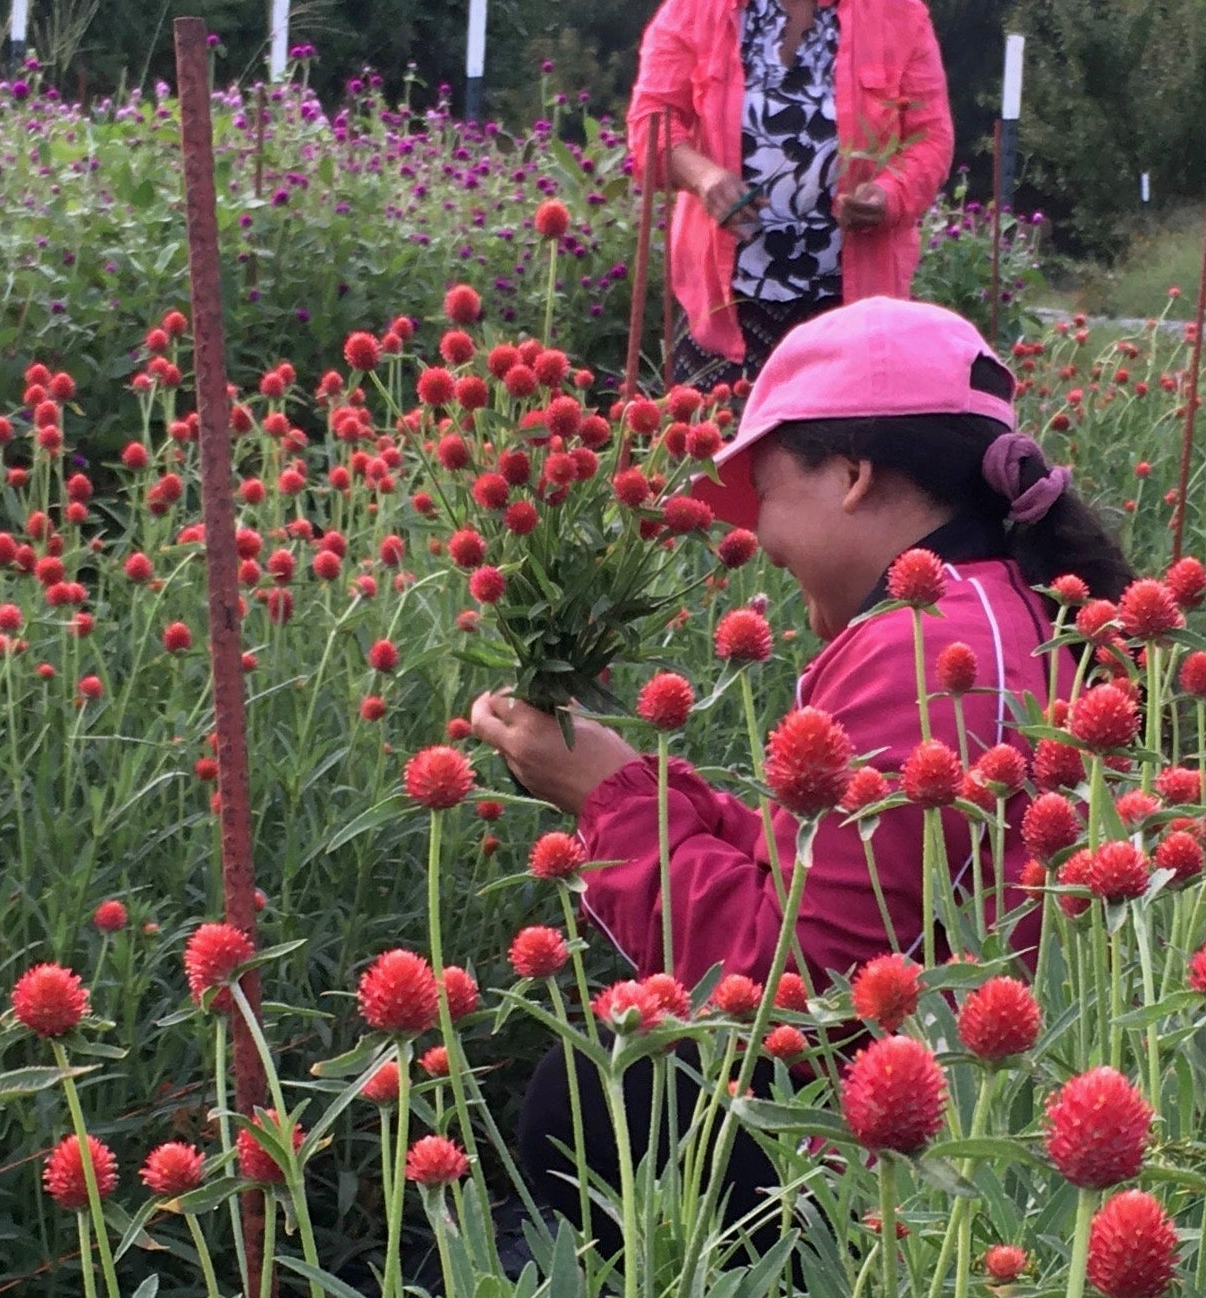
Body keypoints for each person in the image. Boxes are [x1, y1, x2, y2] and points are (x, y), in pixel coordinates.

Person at [471, 298, 1131, 1224]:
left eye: (768, 494)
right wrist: (657, 793)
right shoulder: (1012, 609)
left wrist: (610, 806)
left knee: (592, 1090)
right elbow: (861, 889)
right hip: (990, 1081)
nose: (760, 538)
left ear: (853, 475)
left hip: (900, 1151)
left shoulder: (918, 650)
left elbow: (795, 989)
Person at [627, 0, 954, 391]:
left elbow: (930, 138)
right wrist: (704, 178)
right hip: (724, 305)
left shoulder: (901, 17)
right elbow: (651, 125)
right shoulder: (697, 4)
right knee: (713, 463)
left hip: (849, 306)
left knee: (834, 469)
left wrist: (888, 195)